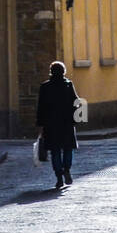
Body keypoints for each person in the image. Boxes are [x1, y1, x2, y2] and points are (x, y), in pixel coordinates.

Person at [36, 61, 80, 190]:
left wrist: (40, 124)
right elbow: (76, 102)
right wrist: (76, 117)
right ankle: (66, 169)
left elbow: (41, 107)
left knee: (55, 151)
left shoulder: (45, 87)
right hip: (66, 123)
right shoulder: (68, 85)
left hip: (51, 124)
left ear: (51, 71)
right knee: (68, 148)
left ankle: (59, 177)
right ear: (63, 71)